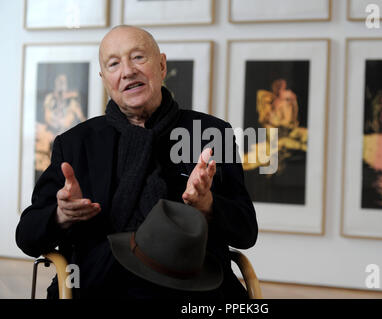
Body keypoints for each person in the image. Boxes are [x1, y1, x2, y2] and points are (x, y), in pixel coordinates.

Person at [16, 25, 258, 299]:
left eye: (138, 57)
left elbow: (246, 233)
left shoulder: (211, 134)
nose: (128, 70)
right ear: (105, 78)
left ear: (162, 65)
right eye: (114, 63)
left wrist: (208, 205)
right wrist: (62, 215)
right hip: (100, 283)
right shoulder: (75, 144)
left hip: (195, 284)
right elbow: (27, 236)